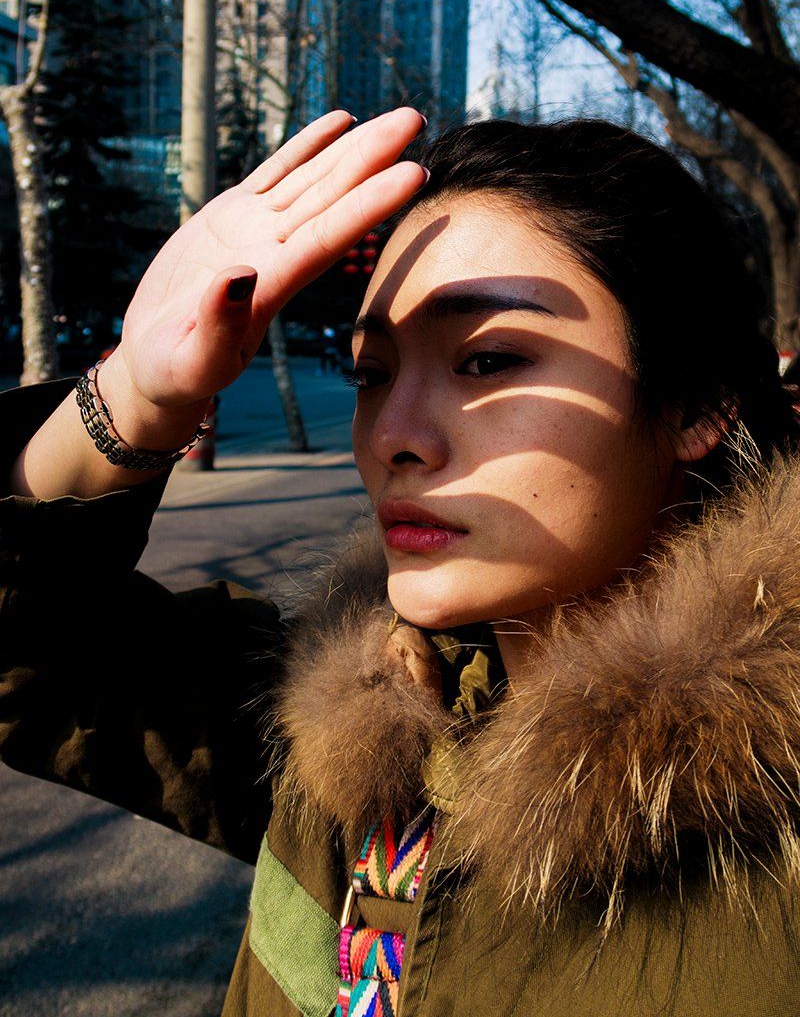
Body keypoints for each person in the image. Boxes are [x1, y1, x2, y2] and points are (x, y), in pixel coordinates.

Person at [2, 106, 800, 1017]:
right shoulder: (345, 718)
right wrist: (133, 395)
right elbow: (30, 661)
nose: (393, 435)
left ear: (697, 403)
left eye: (488, 360)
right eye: (370, 373)